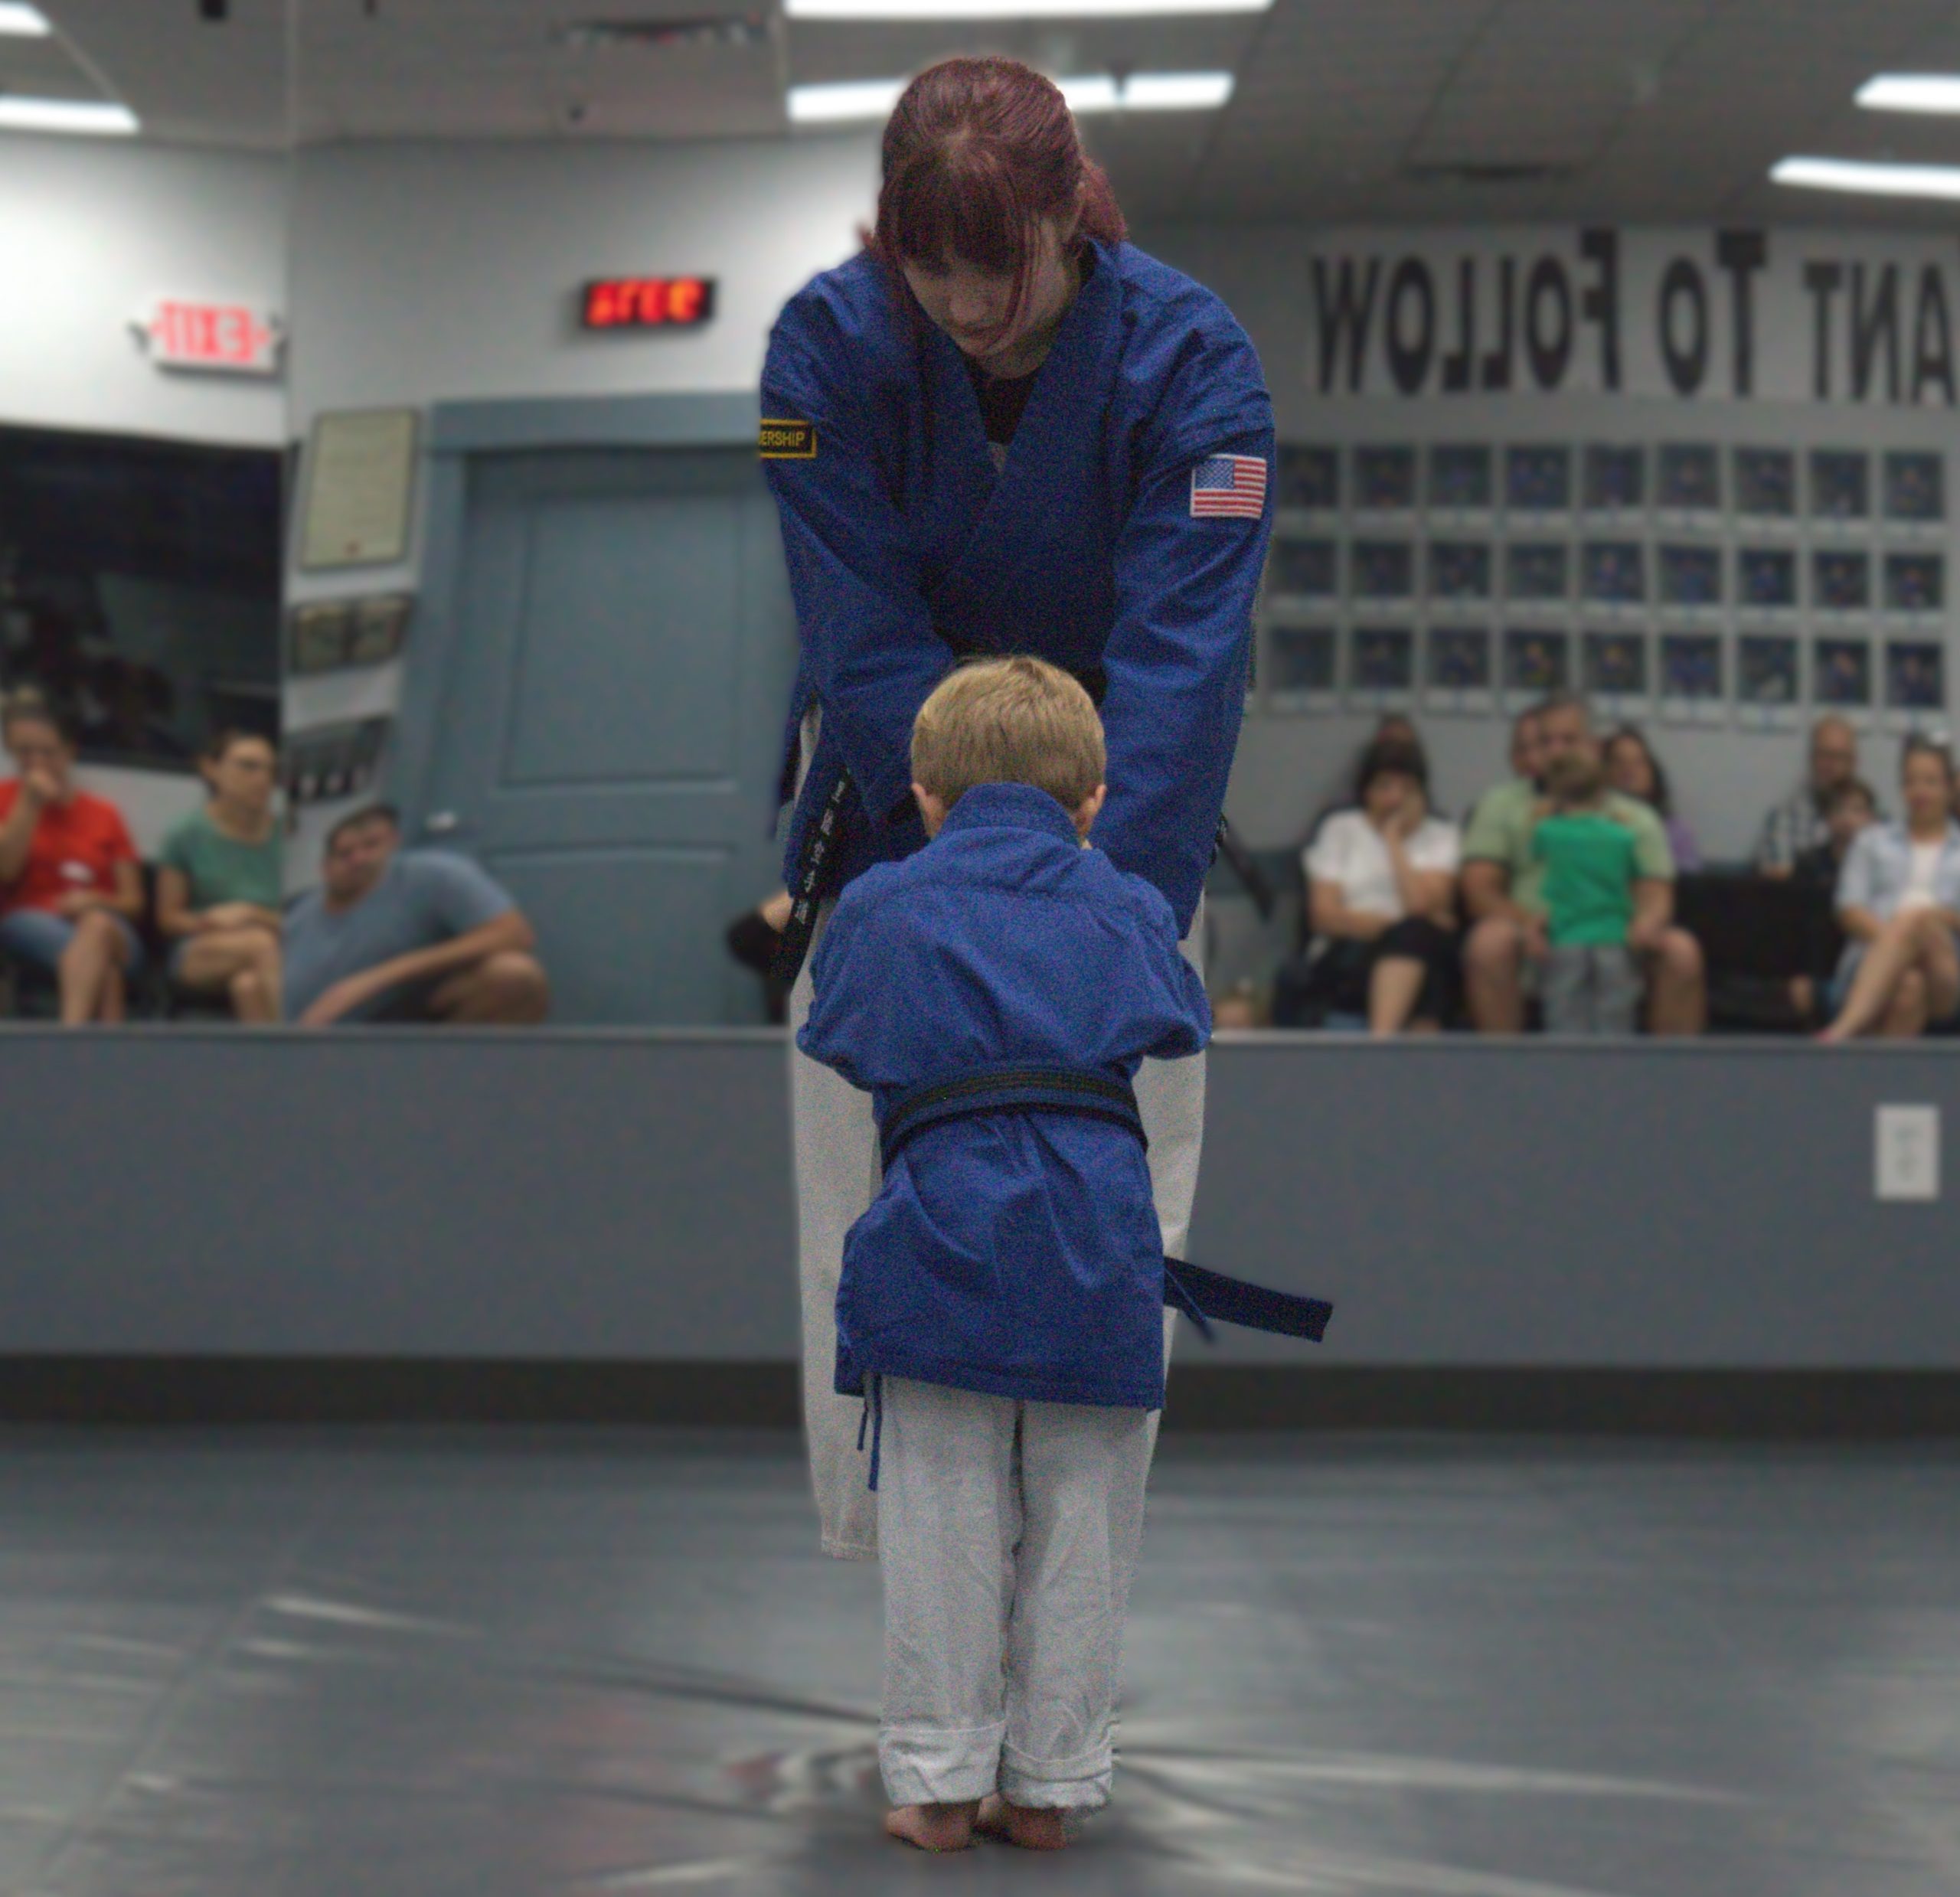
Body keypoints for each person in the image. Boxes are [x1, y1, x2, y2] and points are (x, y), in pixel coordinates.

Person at [763, 57, 1271, 1562]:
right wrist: (967, 882)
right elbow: (860, 646)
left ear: (1074, 220)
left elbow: (1181, 676)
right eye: (930, 272)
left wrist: (1086, 917)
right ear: (885, 240)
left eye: (1002, 270)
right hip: (890, 855)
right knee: (871, 1236)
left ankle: (1064, 1629)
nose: (967, 309)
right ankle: (912, 1626)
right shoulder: (820, 359)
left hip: (1125, 845)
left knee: (1106, 1244)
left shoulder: (1197, 368)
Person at [798, 658, 1211, 1853]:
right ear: (1091, 803)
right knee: (1086, 1515)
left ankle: (935, 1780)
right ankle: (1050, 1784)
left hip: (940, 1233)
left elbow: (842, 1031)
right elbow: (1176, 1016)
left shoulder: (880, 904)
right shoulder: (1130, 901)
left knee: (940, 1512)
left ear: (923, 793)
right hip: (1097, 1242)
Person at [1461, 694, 1703, 1033]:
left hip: (1617, 936)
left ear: (1594, 747)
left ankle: (1668, 1082)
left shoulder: (1636, 816)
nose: (1557, 751)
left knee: (1682, 951)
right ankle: (1507, 1077)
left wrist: (1647, 923)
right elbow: (1479, 889)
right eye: (1546, 741)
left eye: (1569, 740)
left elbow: (1656, 892)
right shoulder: (1501, 804)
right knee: (1488, 942)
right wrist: (1528, 923)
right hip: (1533, 937)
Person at [283, 805, 549, 1027]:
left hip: (407, 1020)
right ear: (324, 867)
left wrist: (373, 979)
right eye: (345, 853)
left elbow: (513, 933)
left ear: (394, 844)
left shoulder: (433, 874)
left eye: (371, 845)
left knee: (515, 976)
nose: (359, 859)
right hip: (308, 1045)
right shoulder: (298, 915)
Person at [0, 687, 145, 1024]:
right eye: (25, 753)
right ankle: (100, 1058)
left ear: (69, 752)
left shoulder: (105, 814)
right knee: (104, 972)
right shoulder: (5, 800)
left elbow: (133, 902)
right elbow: (6, 871)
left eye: (48, 753)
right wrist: (30, 803)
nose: (37, 763)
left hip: (110, 927)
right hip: (30, 919)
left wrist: (94, 900)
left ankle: (70, 1041)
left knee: (97, 928)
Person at [1302, 737, 1460, 1033]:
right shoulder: (1341, 829)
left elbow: (1420, 905)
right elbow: (1323, 916)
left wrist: (1393, 840)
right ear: (1366, 790)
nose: (1395, 799)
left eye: (1407, 789)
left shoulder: (1441, 835)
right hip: (1350, 952)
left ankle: (1384, 1041)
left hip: (1420, 950)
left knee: (1419, 941)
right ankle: (1389, 1045)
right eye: (1384, 786)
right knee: (1416, 935)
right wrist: (1395, 927)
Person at [1819, 740, 1960, 1042]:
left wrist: (1923, 925)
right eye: (1911, 781)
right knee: (1910, 985)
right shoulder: (1871, 841)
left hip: (1948, 973)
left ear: (1950, 787)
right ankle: (1882, 1086)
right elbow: (1849, 909)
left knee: (1919, 920)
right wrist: (1898, 943)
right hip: (1869, 964)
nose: (1919, 791)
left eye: (1931, 782)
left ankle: (1843, 1030)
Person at [155, 730, 284, 1022]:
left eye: (270, 770)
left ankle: (275, 1065)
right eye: (248, 767)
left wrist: (252, 914)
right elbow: (168, 919)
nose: (263, 779)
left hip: (275, 946)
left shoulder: (286, 836)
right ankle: (309, 1052)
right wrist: (208, 920)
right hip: (202, 947)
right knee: (259, 944)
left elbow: (302, 921)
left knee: (248, 986)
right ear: (211, 769)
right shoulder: (185, 834)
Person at [1531, 750, 1660, 1034]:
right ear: (1602, 791)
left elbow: (1536, 850)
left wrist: (1548, 813)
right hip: (1613, 935)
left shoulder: (1548, 831)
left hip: (1566, 935)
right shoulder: (1623, 835)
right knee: (1616, 1014)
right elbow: (1636, 873)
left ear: (1555, 792)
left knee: (1562, 1011)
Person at [1756, 716, 1863, 875]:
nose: (1831, 765)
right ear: (1811, 759)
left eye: (1839, 757)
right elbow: (1778, 890)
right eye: (1824, 755)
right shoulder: (1784, 818)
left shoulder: (1875, 822)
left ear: (1853, 763)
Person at [1604, 723, 1701, 871]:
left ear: (1652, 771)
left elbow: (1688, 886)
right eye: (1619, 761)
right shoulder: (1592, 825)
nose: (1629, 770)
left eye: (1638, 762)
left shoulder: (1676, 832)